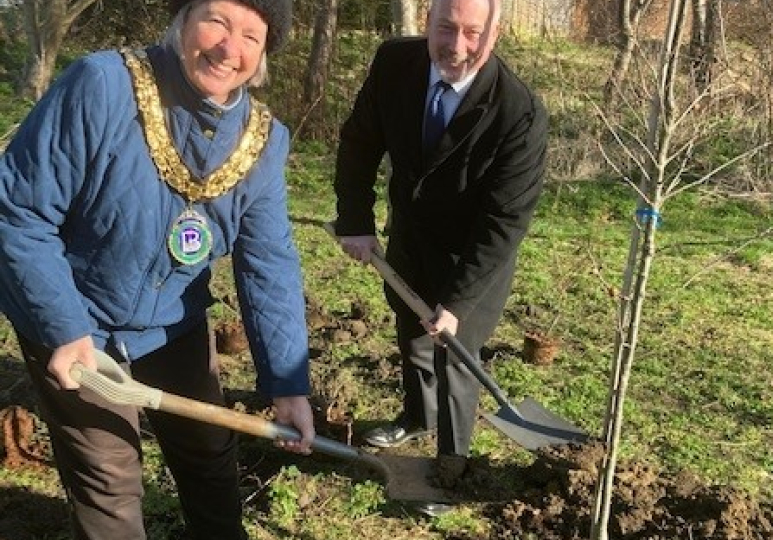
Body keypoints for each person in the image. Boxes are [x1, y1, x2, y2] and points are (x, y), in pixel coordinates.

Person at [0, 1, 314, 538]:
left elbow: (269, 263)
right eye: (216, 20)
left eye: (250, 36)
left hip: (173, 322)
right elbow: (18, 212)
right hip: (77, 318)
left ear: (264, 55)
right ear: (184, 21)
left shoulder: (264, 141)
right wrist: (64, 328)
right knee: (110, 477)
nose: (227, 48)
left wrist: (287, 384)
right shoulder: (102, 86)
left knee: (208, 453)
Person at [332, 0, 548, 507]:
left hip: (472, 259)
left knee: (456, 360)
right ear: (427, 19)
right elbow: (360, 142)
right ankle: (415, 416)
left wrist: (456, 302)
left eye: (473, 33)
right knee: (411, 336)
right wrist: (356, 221)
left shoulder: (519, 112)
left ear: (495, 35)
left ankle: (451, 469)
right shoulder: (394, 63)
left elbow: (505, 222)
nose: (456, 45)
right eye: (446, 27)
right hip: (409, 237)